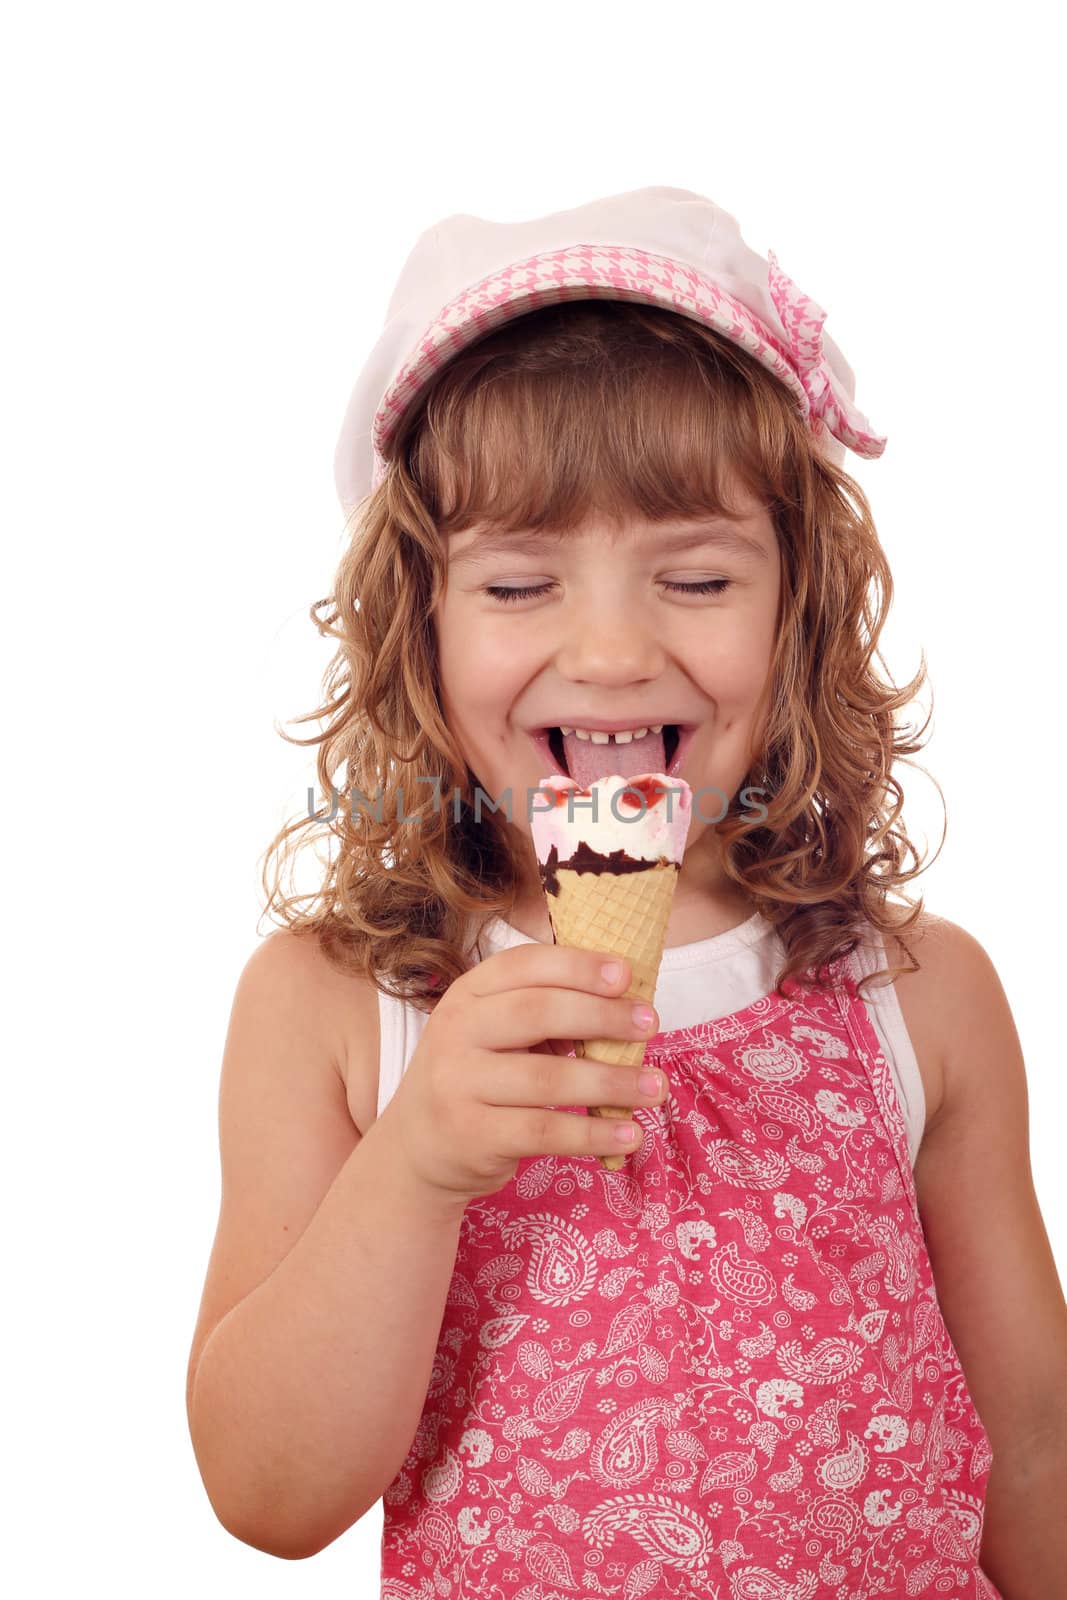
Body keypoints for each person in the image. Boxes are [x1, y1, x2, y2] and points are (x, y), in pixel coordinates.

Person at [185, 188, 1067, 1596]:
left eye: (698, 576)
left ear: (801, 615)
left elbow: (1032, 1450)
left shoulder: (920, 996)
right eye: (522, 584)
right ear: (417, 624)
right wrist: (415, 1167)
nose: (608, 652)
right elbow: (266, 1494)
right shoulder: (343, 1007)